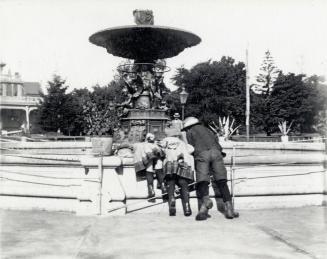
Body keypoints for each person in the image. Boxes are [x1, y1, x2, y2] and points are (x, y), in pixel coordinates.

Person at [181, 117, 239, 220]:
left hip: (202, 154)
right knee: (222, 181)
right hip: (216, 153)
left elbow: (190, 148)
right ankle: (229, 209)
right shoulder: (207, 129)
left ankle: (206, 203)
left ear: (188, 126)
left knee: (202, 180)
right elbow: (217, 143)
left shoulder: (190, 132)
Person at [160, 129, 195, 216]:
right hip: (183, 163)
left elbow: (161, 153)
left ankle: (172, 200)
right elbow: (191, 149)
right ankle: (187, 207)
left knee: (170, 182)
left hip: (170, 163)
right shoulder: (182, 142)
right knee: (183, 184)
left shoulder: (165, 141)